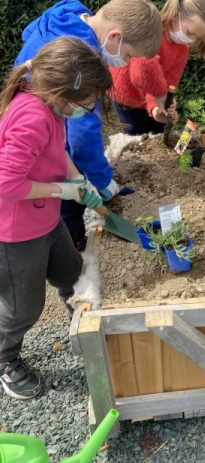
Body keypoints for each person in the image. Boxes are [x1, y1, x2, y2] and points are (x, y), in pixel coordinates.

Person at [0, 37, 112, 399]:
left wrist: (76, 178)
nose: (89, 109)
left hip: (46, 221)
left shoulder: (51, 106)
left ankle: (83, 327)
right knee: (22, 307)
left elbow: (56, 150)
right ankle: (5, 359)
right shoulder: (32, 116)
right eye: (87, 103)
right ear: (64, 93)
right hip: (15, 232)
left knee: (71, 273)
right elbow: (6, 184)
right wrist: (59, 190)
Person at [14, 0, 162, 249]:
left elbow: (27, 33)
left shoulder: (70, 13)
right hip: (35, 127)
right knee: (67, 193)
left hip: (32, 109)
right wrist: (102, 180)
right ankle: (72, 240)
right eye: (128, 55)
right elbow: (81, 137)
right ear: (115, 37)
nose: (126, 63)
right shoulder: (83, 63)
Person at [109, 0, 205, 135]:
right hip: (126, 93)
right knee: (138, 136)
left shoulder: (182, 50)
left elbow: (167, 82)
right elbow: (142, 74)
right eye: (189, 32)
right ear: (175, 17)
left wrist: (161, 106)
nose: (191, 39)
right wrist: (161, 98)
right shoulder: (151, 32)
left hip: (151, 93)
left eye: (196, 36)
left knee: (159, 131)